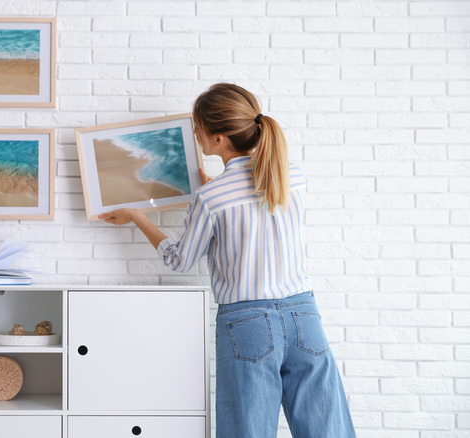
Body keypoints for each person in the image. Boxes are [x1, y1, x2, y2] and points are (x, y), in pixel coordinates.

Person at [99, 83, 356, 437]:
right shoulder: (291, 176)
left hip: (246, 323)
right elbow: (253, 205)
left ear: (218, 139)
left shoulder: (211, 197)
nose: (195, 135)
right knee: (329, 430)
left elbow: (179, 261)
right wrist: (215, 186)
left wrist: (139, 216)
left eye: (197, 128)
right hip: (304, 314)